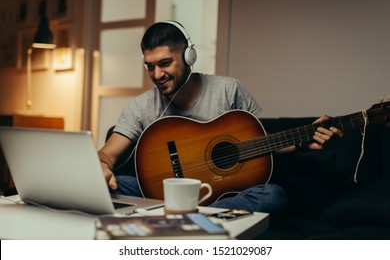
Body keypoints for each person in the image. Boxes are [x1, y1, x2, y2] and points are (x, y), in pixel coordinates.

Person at [98, 21, 343, 216]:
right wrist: (102, 166)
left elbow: (257, 141)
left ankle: (185, 219)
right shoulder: (142, 106)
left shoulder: (228, 90)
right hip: (158, 191)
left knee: (272, 196)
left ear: (188, 57)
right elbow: (108, 152)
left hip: (219, 195)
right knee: (103, 188)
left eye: (164, 63)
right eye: (149, 66)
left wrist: (300, 142)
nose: (157, 74)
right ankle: (190, 218)